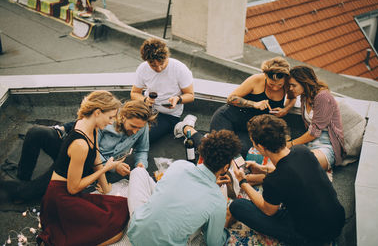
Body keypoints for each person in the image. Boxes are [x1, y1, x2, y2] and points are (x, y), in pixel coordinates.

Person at [1, 100, 155, 202]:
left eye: (139, 128)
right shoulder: (104, 122)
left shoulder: (142, 127)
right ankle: (23, 176)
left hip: (86, 164)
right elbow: (93, 150)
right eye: (133, 126)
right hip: (81, 152)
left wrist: (141, 164)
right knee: (36, 132)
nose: (136, 131)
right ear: (123, 117)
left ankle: (21, 188)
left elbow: (142, 149)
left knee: (32, 193)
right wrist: (114, 166)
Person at [229, 114, 345, 245]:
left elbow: (268, 210)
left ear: (260, 147)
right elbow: (290, 169)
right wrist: (262, 168)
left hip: (312, 237)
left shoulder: (273, 181)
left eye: (253, 142)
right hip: (337, 220)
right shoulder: (302, 151)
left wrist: (243, 182)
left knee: (237, 206)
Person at [37, 90, 129, 245]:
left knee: (121, 207)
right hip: (60, 197)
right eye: (110, 117)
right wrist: (106, 169)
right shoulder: (80, 144)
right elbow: (73, 188)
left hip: (69, 192)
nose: (111, 122)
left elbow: (96, 158)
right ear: (98, 112)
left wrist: (106, 189)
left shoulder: (90, 125)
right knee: (114, 230)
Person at [126, 130, 242, 246]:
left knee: (138, 171)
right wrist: (225, 229)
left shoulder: (180, 165)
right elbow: (213, 242)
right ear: (225, 167)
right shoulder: (217, 200)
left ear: (202, 156)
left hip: (135, 231)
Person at [209, 56, 296, 156]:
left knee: (241, 152)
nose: (276, 88)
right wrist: (254, 104)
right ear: (265, 75)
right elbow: (231, 98)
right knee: (220, 148)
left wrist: (286, 109)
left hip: (251, 129)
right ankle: (193, 133)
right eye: (271, 84)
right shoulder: (256, 80)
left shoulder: (287, 84)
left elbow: (293, 98)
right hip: (228, 118)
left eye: (279, 85)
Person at [130, 38, 195, 143]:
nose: (159, 68)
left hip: (168, 115)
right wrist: (145, 100)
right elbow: (134, 93)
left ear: (166, 56)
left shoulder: (180, 69)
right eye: (153, 65)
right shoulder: (143, 68)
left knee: (145, 138)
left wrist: (177, 99)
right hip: (147, 108)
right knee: (126, 128)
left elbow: (190, 95)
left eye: (161, 63)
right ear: (147, 61)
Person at [287, 65, 346, 170]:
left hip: (327, 144)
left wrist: (291, 144)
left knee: (302, 167)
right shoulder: (304, 95)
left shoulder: (323, 97)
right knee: (285, 163)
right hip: (309, 141)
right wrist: (284, 110)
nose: (290, 88)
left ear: (304, 83)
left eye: (293, 85)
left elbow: (314, 133)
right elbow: (289, 95)